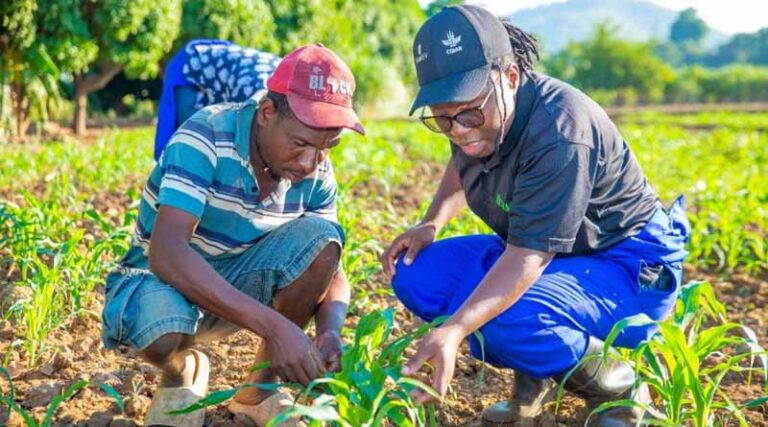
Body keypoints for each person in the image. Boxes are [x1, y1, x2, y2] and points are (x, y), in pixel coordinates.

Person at [381, 5, 689, 426]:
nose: (458, 129)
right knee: (415, 272)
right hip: (556, 254)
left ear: (509, 77)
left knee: (501, 316)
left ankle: (620, 389)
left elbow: (527, 258)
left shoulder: (561, 131)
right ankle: (537, 374)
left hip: (626, 263)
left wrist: (454, 330)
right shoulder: (472, 116)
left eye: (469, 112)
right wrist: (431, 221)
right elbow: (461, 162)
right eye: (441, 117)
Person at [101, 44, 365, 427]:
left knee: (324, 237)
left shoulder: (317, 170)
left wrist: (329, 332)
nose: (311, 162)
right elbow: (167, 253)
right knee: (162, 333)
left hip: (238, 284)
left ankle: (259, 392)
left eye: (327, 147)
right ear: (267, 113)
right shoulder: (206, 134)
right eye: (301, 143)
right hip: (161, 280)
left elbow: (331, 265)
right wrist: (278, 328)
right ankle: (181, 372)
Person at [154, 39, 282, 160]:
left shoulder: (288, 87)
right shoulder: (251, 96)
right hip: (188, 66)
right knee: (190, 138)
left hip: (223, 68)